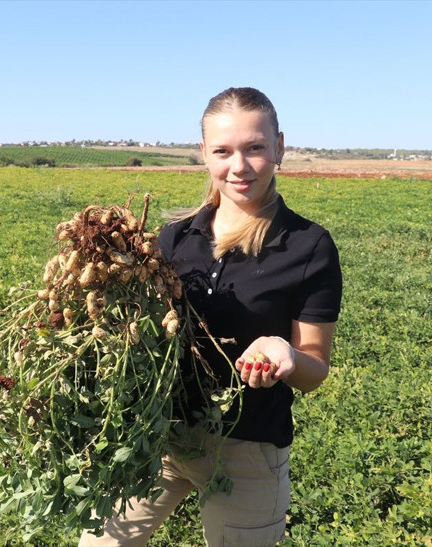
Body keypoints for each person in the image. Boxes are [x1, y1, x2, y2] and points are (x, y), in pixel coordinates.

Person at [79, 87, 343, 546]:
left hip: (248, 451)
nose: (238, 166)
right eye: (223, 150)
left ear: (279, 146)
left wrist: (284, 354)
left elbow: (314, 368)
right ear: (203, 153)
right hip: (158, 436)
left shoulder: (308, 246)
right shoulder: (174, 238)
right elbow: (145, 329)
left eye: (255, 148)